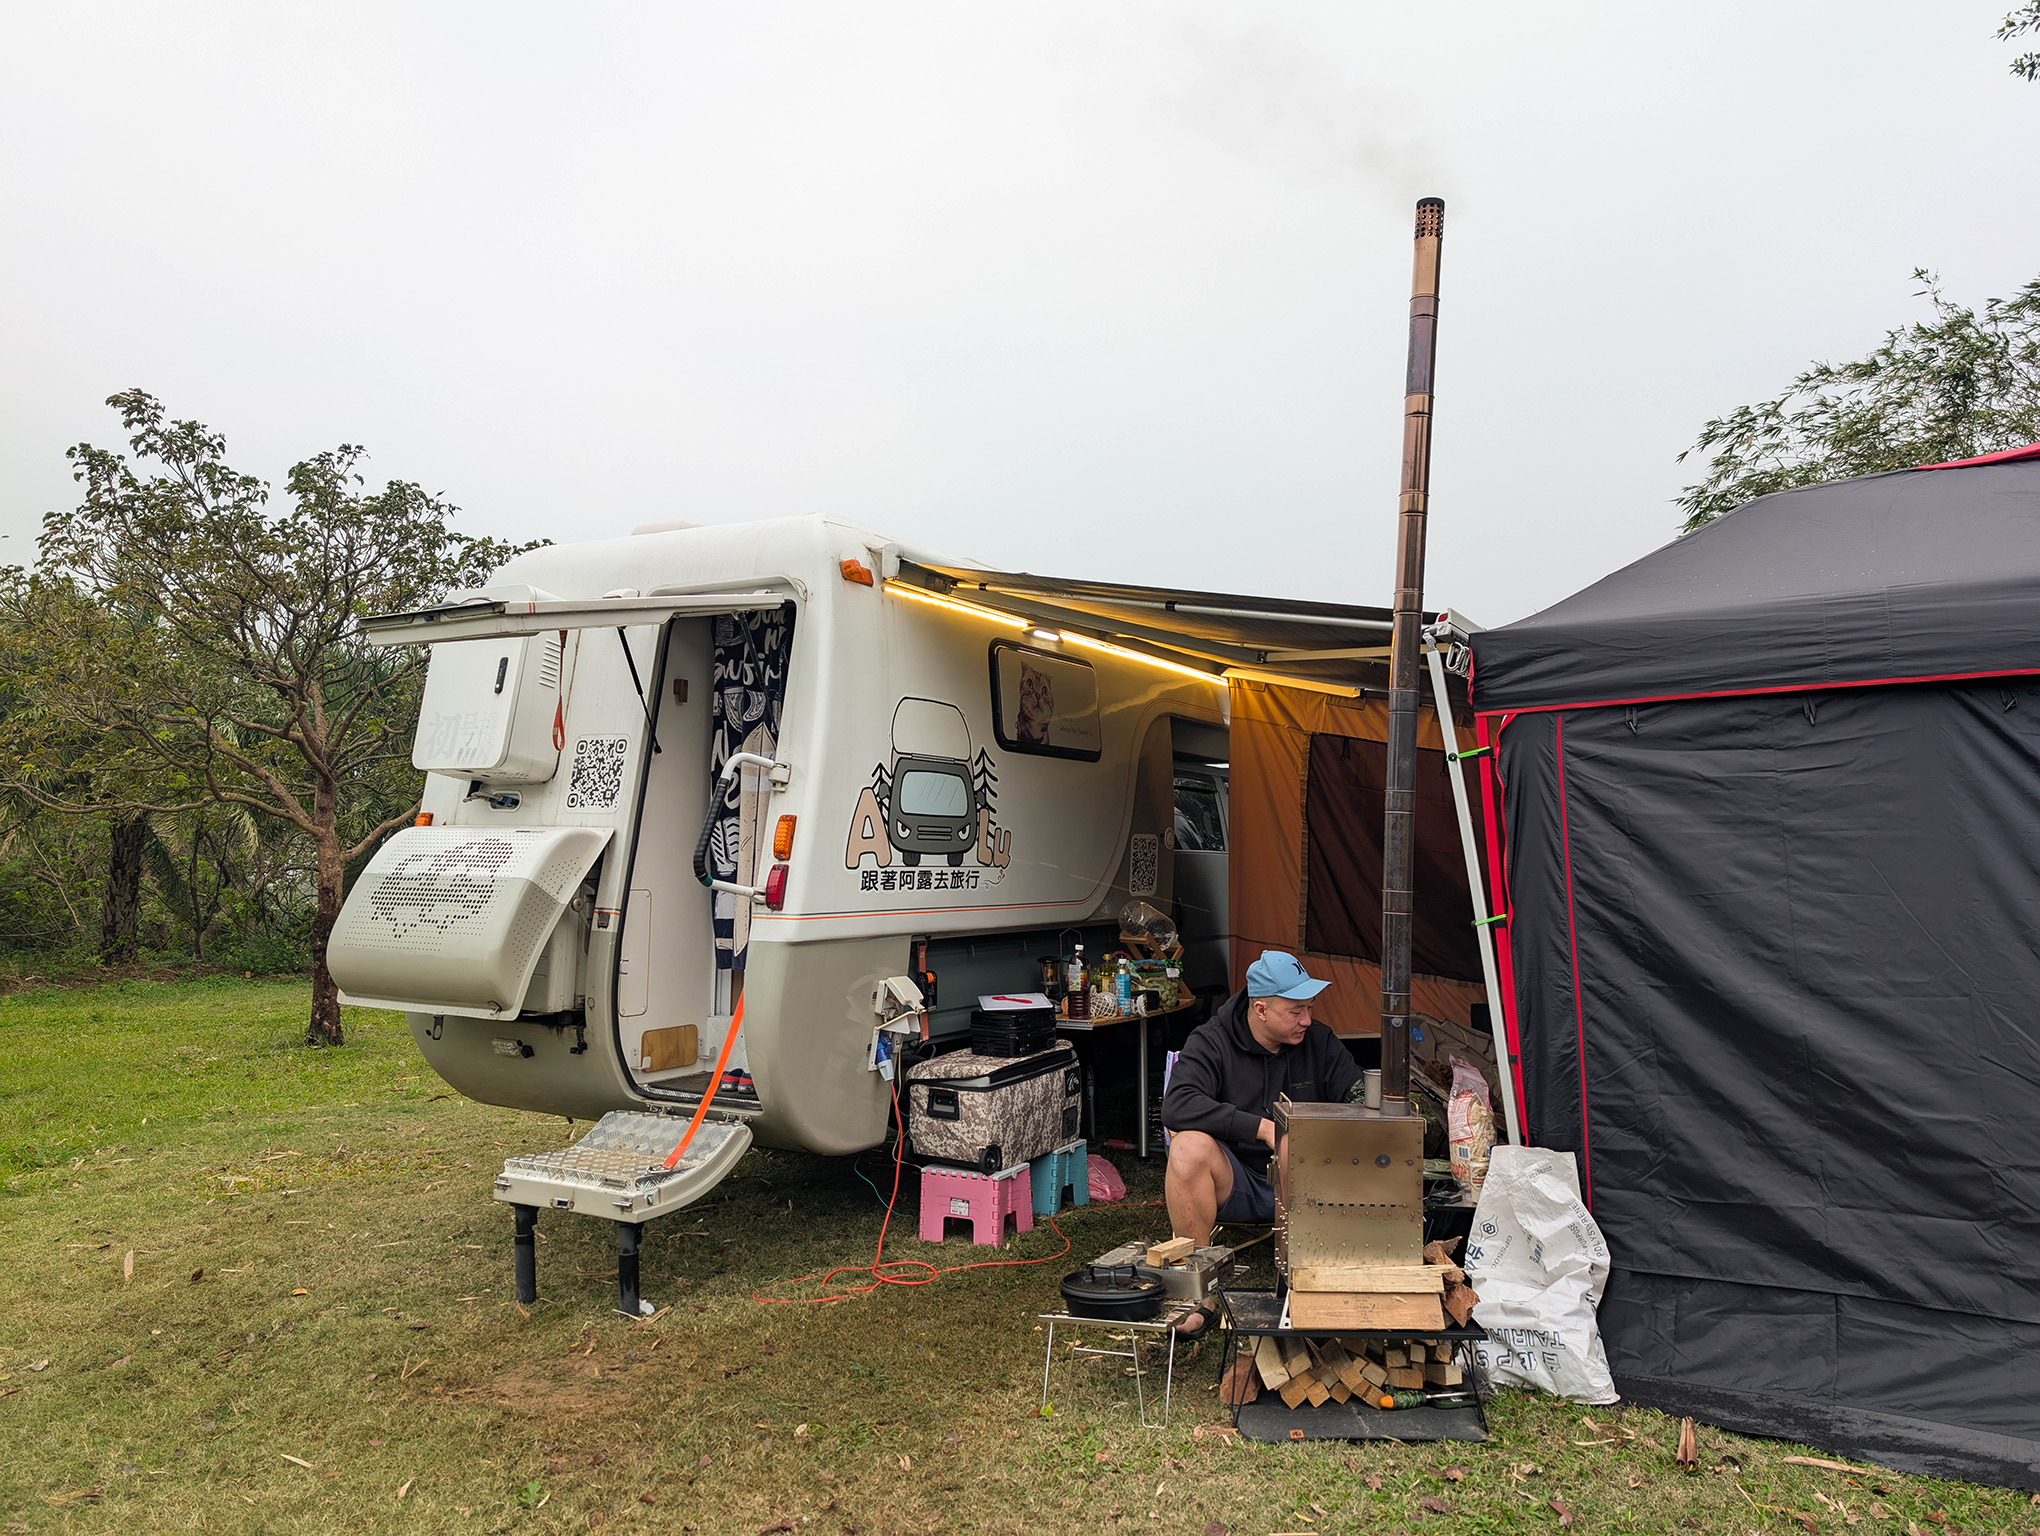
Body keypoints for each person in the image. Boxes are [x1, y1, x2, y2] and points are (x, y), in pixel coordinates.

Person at [1160, 950, 1359, 1311]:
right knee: (1187, 1147)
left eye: (1310, 1008)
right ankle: (1195, 1290)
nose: (1307, 1020)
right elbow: (1177, 1104)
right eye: (1296, 1011)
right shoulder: (1212, 1040)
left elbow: (1357, 1094)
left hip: (1309, 1180)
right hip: (1238, 1181)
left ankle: (1334, 1272)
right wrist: (1262, 1128)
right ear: (1261, 1009)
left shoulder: (1319, 1041)